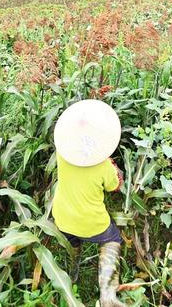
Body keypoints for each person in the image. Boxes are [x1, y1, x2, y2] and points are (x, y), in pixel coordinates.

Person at [51, 99, 125, 307]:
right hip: (92, 223)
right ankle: (108, 294)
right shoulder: (104, 167)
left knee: (72, 241)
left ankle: (71, 275)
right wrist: (114, 168)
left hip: (63, 217)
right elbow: (114, 186)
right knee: (112, 240)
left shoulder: (63, 152)